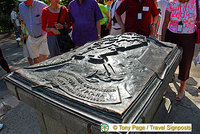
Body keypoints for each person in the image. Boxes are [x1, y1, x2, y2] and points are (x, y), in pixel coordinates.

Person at [161, 0, 199, 101]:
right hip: (172, 36)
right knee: (168, 63)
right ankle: (166, 85)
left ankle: (182, 88)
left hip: (188, 37)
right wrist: (163, 42)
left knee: (185, 63)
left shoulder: (196, 3)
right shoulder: (171, 3)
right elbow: (165, 23)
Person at [18, 0, 49, 64]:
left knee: (42, 59)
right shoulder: (21, 6)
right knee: (36, 60)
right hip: (31, 37)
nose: (24, 2)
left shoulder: (42, 5)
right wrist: (24, 33)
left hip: (43, 36)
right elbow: (23, 21)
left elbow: (48, 20)